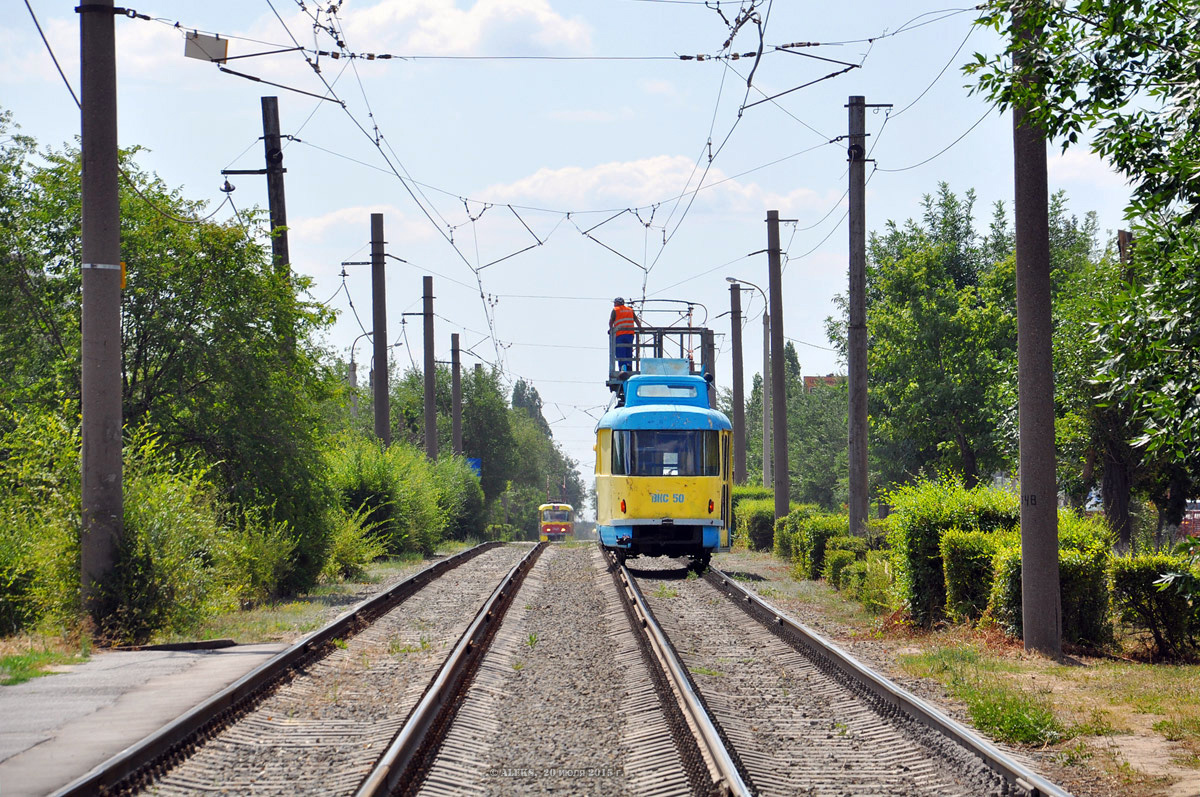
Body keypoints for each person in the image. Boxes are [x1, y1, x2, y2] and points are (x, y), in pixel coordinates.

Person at [609, 297, 640, 371]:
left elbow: (611, 321)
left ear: (617, 303)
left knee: (620, 352)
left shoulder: (615, 310)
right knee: (628, 351)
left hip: (620, 335)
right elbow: (636, 320)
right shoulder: (630, 310)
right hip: (630, 335)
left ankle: (623, 369)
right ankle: (629, 366)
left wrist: (611, 329)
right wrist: (640, 328)